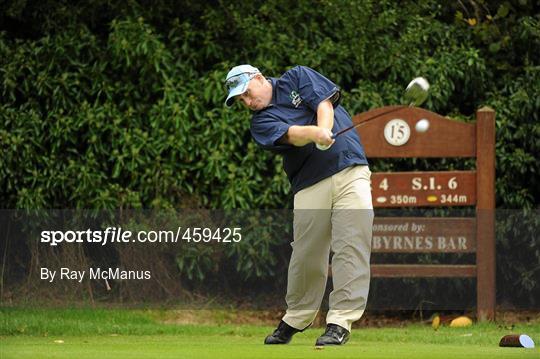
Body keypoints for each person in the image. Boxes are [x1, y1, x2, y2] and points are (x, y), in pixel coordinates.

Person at [224, 64, 374, 346]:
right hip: (309, 182)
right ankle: (296, 317)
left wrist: (325, 129)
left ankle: (339, 322)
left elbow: (324, 104)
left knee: (351, 244)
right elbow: (291, 134)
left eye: (246, 93)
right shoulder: (260, 123)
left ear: (258, 78)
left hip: (350, 168)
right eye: (240, 100)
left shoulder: (297, 77)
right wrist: (316, 135)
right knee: (306, 254)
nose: (246, 101)